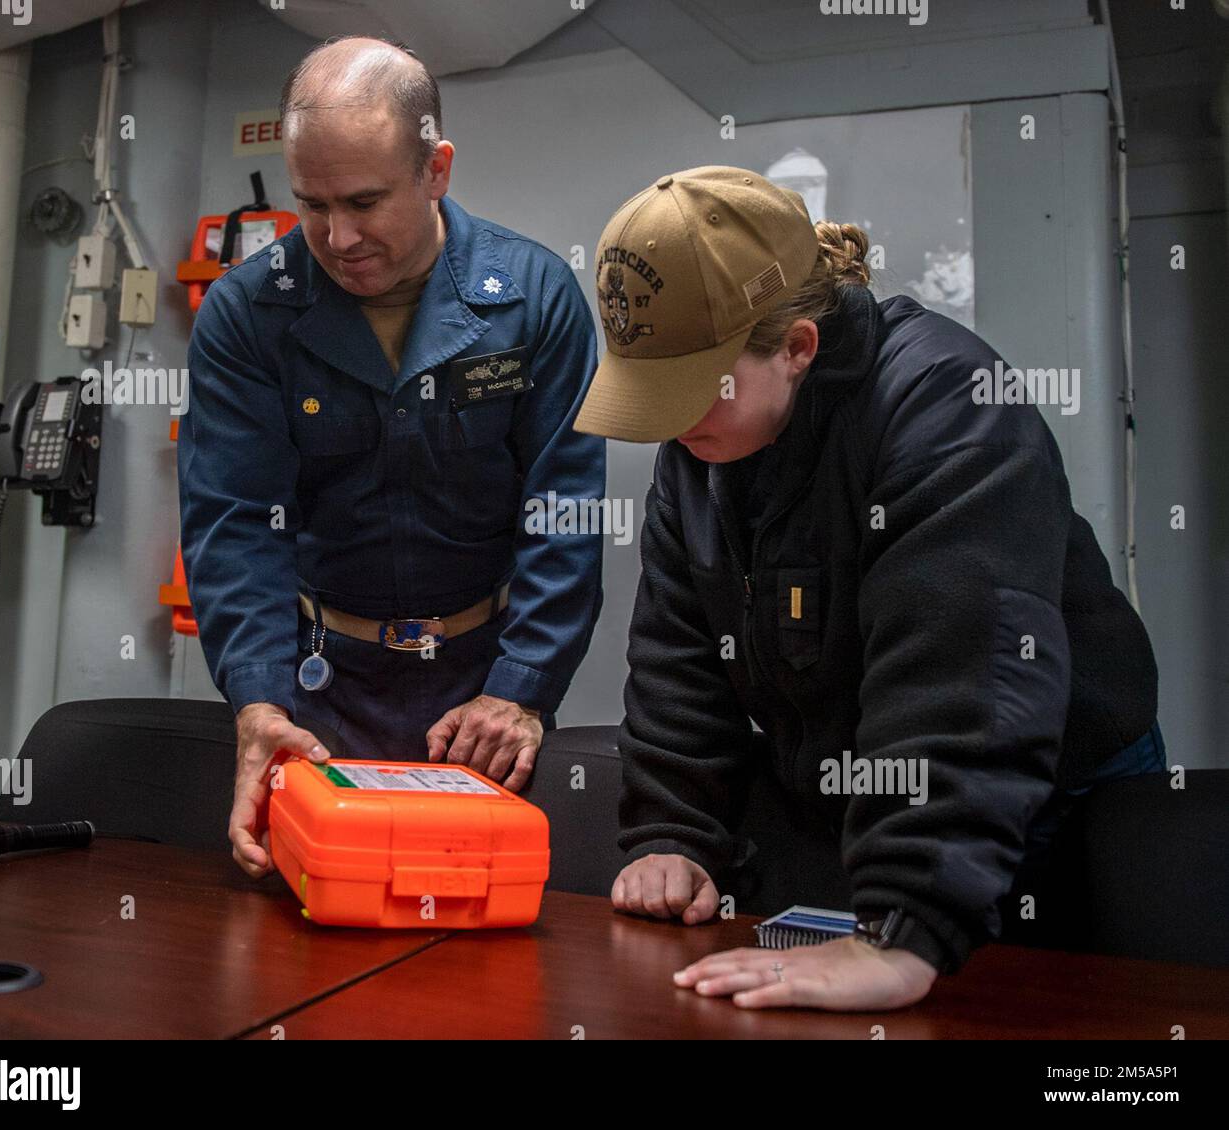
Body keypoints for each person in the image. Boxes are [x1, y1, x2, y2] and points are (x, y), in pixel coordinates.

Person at [574, 166, 1160, 1011]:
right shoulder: (703, 444)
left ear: (798, 348)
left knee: (1060, 1017)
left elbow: (962, 679)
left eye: (691, 389)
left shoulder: (948, 408)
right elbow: (680, 652)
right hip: (862, 791)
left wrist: (903, 928)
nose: (666, 423)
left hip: (1041, 791)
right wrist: (675, 834)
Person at [179, 38, 604, 878]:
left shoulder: (536, 296)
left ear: (436, 169)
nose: (339, 237)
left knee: (469, 928)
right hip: (316, 686)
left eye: (366, 202)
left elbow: (565, 514)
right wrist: (259, 701)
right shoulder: (245, 313)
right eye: (313, 204)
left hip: (480, 689)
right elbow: (235, 523)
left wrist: (522, 688)